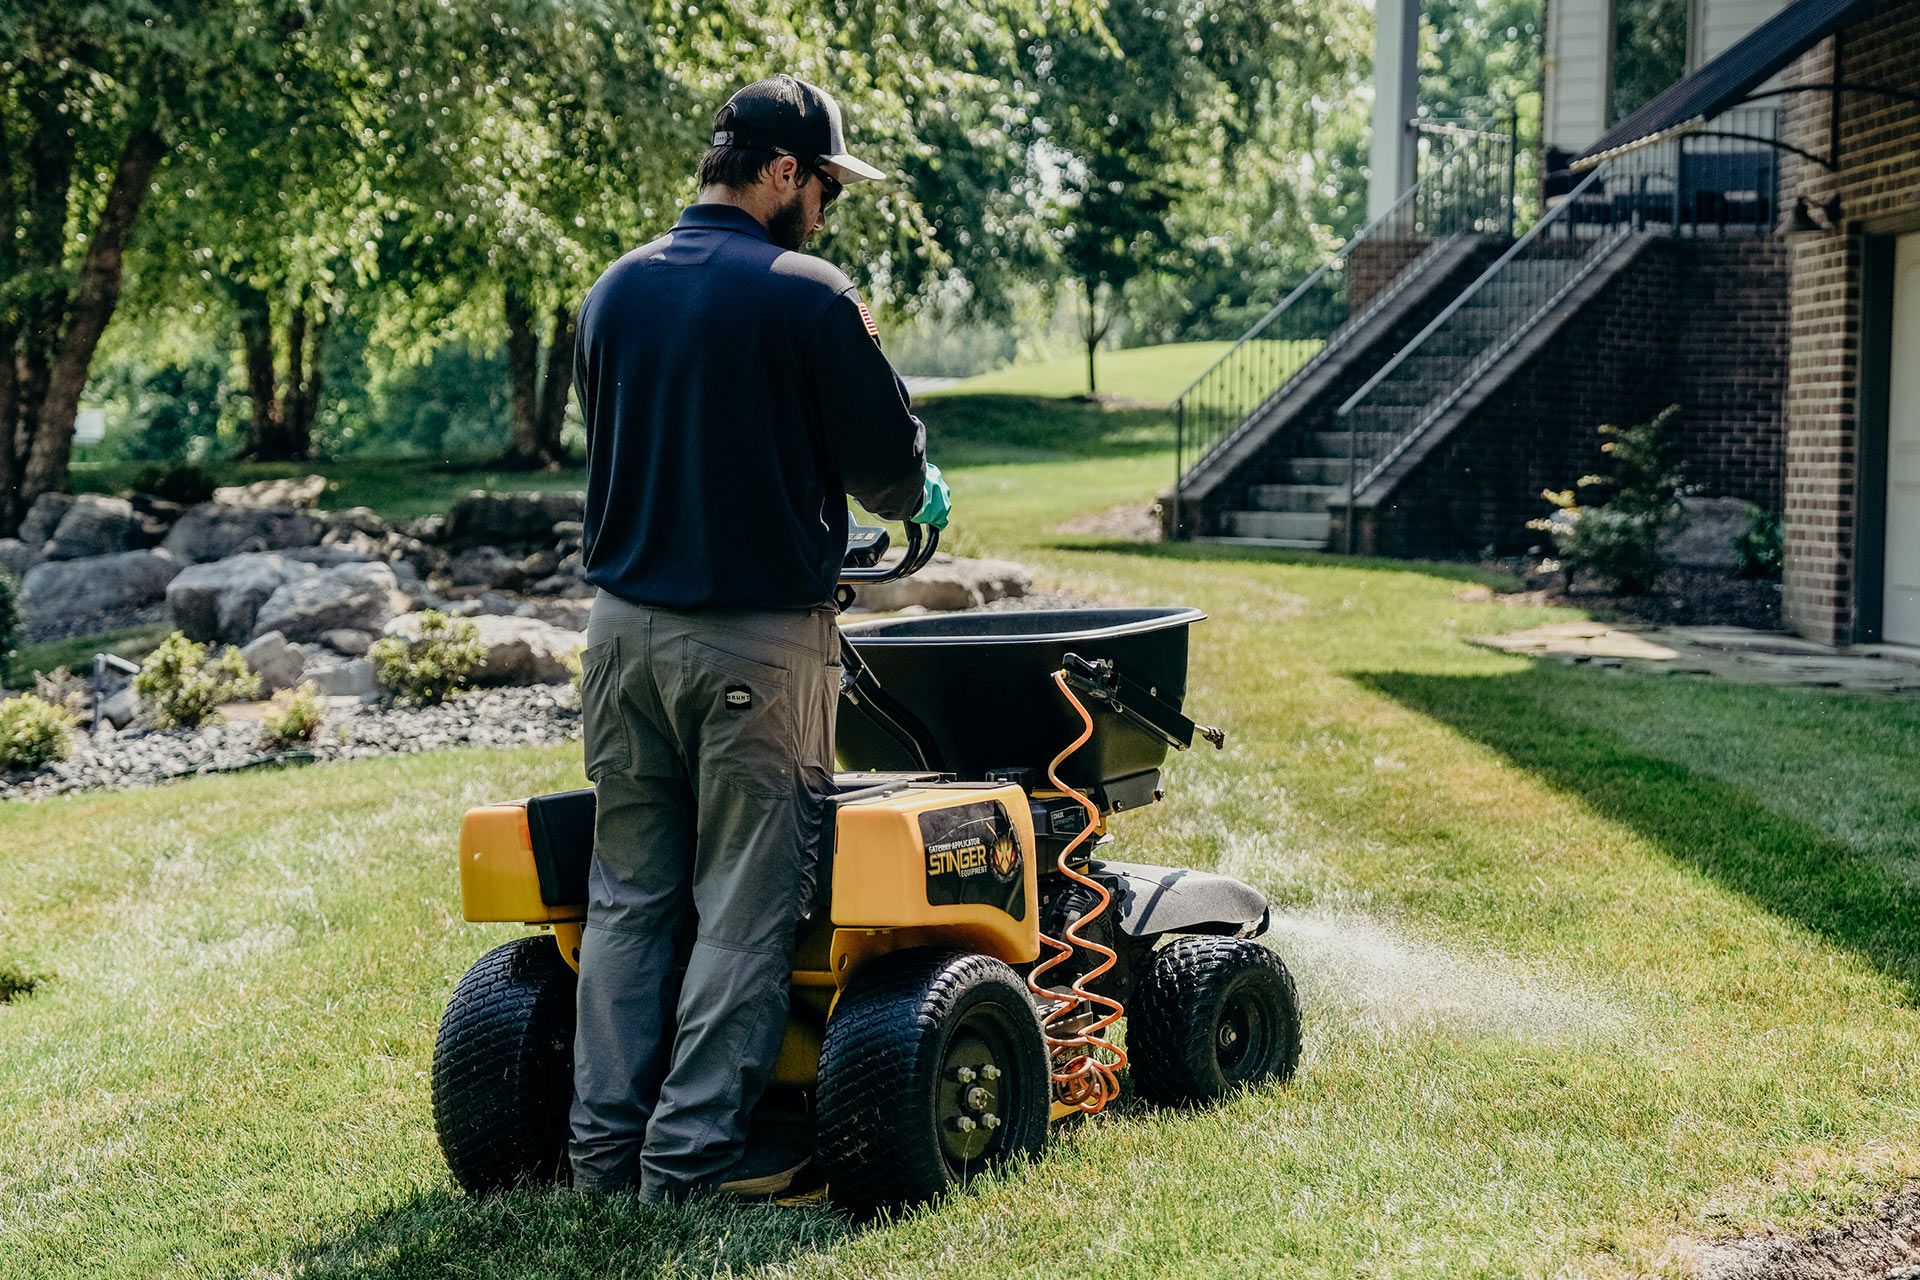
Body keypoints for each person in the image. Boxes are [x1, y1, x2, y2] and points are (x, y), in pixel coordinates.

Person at [567, 73, 951, 1203]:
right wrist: (923, 496)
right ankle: (685, 1166)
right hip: (750, 648)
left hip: (621, 636)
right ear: (782, 172)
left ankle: (600, 1159)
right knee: (745, 900)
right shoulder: (809, 295)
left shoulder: (613, 291)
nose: (828, 207)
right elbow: (887, 467)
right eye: (825, 183)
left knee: (630, 896)